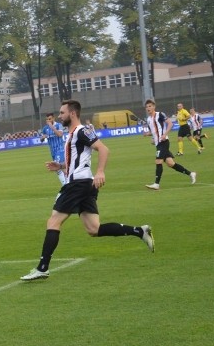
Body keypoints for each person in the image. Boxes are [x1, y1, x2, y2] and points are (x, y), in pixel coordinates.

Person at [21, 100, 154, 281]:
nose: (60, 116)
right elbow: (78, 161)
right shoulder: (72, 134)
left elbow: (103, 149)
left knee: (53, 222)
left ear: (73, 113)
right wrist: (60, 166)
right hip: (84, 184)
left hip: (77, 184)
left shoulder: (81, 131)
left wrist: (100, 172)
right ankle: (139, 231)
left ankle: (42, 268)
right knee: (93, 228)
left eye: (62, 113)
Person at [143, 99, 197, 190]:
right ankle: (191, 174)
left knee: (158, 161)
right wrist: (148, 135)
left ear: (154, 107)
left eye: (150, 106)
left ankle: (156, 184)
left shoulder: (160, 114)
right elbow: (154, 131)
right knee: (170, 163)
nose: (148, 108)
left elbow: (170, 124)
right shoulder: (148, 119)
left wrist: (165, 134)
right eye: (147, 107)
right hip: (158, 143)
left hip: (163, 142)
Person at [39, 112, 66, 185]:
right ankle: (70, 182)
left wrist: (52, 126)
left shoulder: (58, 125)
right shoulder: (45, 128)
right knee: (62, 168)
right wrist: (42, 138)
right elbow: (41, 139)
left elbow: (60, 135)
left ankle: (65, 186)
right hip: (53, 151)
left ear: (53, 118)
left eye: (50, 119)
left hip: (60, 150)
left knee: (57, 167)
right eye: (47, 119)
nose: (48, 120)